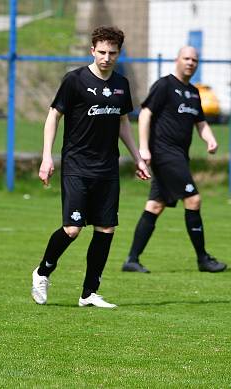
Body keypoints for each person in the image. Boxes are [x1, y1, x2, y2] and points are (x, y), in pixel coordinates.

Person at [31, 26, 150, 308]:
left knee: (106, 229)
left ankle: (89, 293)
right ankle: (42, 271)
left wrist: (137, 158)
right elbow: (53, 117)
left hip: (107, 168)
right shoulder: (74, 80)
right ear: (92, 51)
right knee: (72, 229)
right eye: (102, 52)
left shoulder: (122, 84)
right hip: (76, 165)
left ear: (118, 54)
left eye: (112, 53)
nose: (106, 58)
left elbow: (123, 124)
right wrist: (47, 157)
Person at [122, 46, 226, 273]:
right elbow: (146, 113)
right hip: (164, 153)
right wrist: (143, 148)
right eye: (186, 58)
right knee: (193, 199)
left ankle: (132, 260)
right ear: (177, 60)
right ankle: (203, 259)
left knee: (155, 205)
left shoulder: (193, 92)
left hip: (179, 155)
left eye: (194, 60)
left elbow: (200, 122)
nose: (190, 62)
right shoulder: (164, 85)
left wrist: (210, 139)